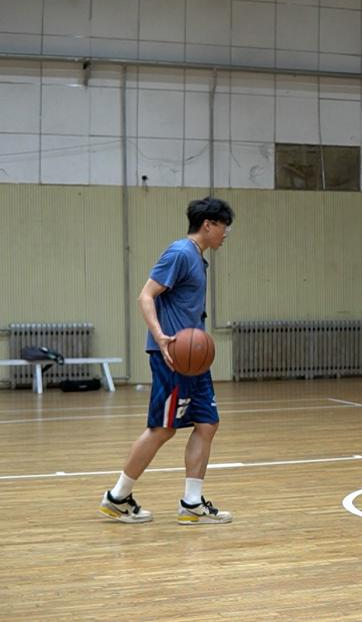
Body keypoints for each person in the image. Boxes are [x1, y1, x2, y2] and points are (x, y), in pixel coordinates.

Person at [99, 197, 235, 525]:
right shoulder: (180, 253)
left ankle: (192, 503)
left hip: (194, 361)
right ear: (208, 225)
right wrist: (160, 337)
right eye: (224, 227)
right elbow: (145, 296)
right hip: (173, 357)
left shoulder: (198, 258)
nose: (226, 234)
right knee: (162, 429)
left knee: (207, 423)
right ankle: (117, 497)